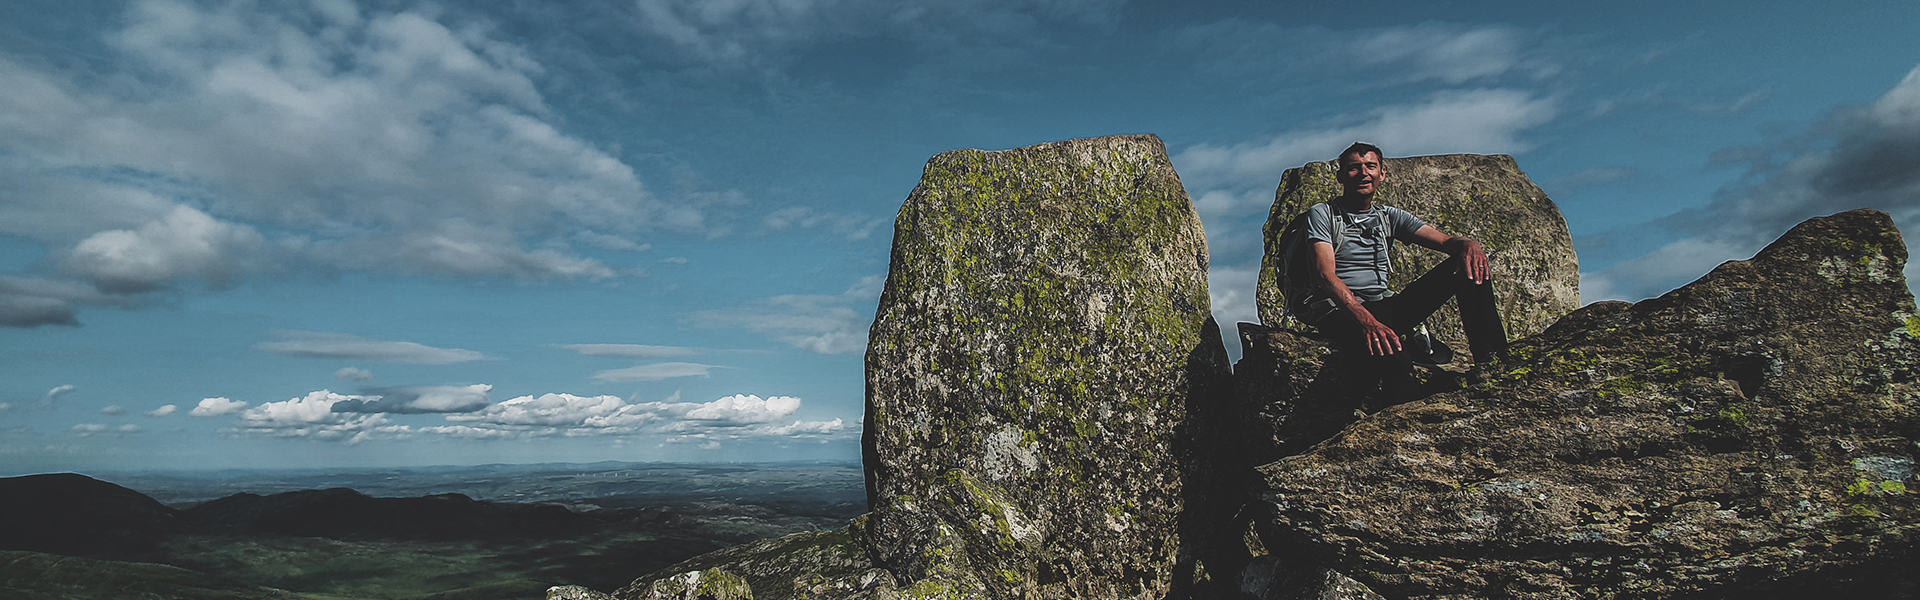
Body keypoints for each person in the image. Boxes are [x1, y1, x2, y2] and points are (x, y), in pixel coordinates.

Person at [1292, 142, 1507, 399]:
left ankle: (1493, 362)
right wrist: (1369, 323)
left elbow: (1446, 242)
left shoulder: (1389, 216)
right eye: (1353, 168)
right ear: (1340, 176)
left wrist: (1470, 245)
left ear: (1382, 173)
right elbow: (1325, 276)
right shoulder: (1323, 214)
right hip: (1341, 312)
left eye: (1371, 166)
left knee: (1466, 264)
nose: (1363, 173)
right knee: (1395, 356)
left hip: (1384, 306)